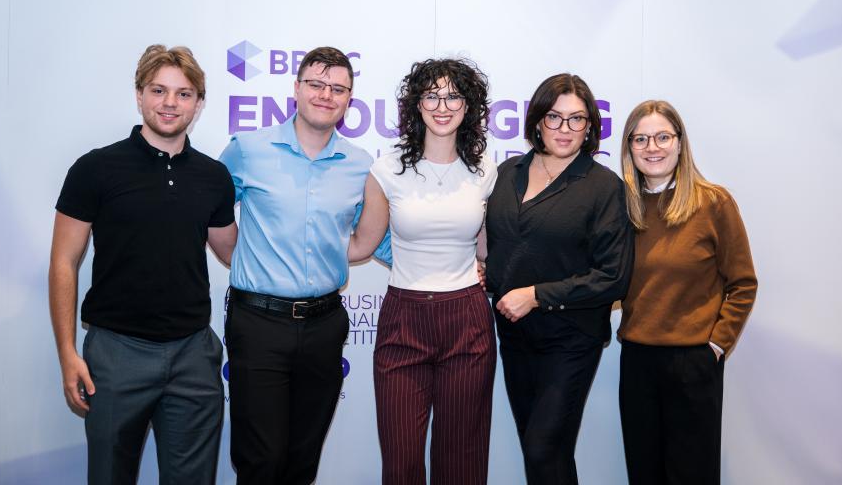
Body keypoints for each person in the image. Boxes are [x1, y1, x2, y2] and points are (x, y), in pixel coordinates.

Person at [48, 44, 237, 485]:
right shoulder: (95, 168)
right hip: (116, 354)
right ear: (139, 96)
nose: (170, 103)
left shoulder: (213, 177)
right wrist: (66, 353)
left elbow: (233, 253)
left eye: (184, 94)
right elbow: (63, 261)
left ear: (199, 103)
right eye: (159, 90)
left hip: (194, 353)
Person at [219, 46, 389, 484]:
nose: (326, 95)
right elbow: (213, 219)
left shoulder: (360, 165)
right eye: (316, 84)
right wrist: (249, 264)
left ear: (349, 99)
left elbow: (370, 241)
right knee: (261, 460)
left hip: (324, 324)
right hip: (258, 322)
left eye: (338, 88)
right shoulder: (247, 150)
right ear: (296, 88)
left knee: (302, 461)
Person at [348, 58, 497, 485]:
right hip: (403, 318)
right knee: (401, 463)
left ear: (468, 106)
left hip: (467, 318)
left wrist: (491, 270)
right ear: (416, 104)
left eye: (453, 95)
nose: (442, 105)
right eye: (431, 95)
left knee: (462, 461)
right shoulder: (386, 169)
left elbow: (489, 247)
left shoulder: (486, 170)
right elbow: (362, 243)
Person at [485, 73, 634, 484]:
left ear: (590, 126)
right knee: (542, 452)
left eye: (576, 119)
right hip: (515, 335)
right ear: (536, 121)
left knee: (543, 446)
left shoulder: (603, 186)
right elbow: (503, 243)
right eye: (554, 117)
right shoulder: (506, 172)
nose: (564, 129)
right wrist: (484, 269)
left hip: (570, 338)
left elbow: (613, 277)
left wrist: (536, 295)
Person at [617, 100, 757, 485]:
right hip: (637, 361)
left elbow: (743, 283)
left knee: (691, 475)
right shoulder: (622, 208)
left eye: (663, 136)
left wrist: (716, 345)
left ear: (680, 143)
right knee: (645, 473)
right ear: (629, 147)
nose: (653, 147)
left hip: (693, 361)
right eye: (641, 139)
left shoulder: (713, 202)